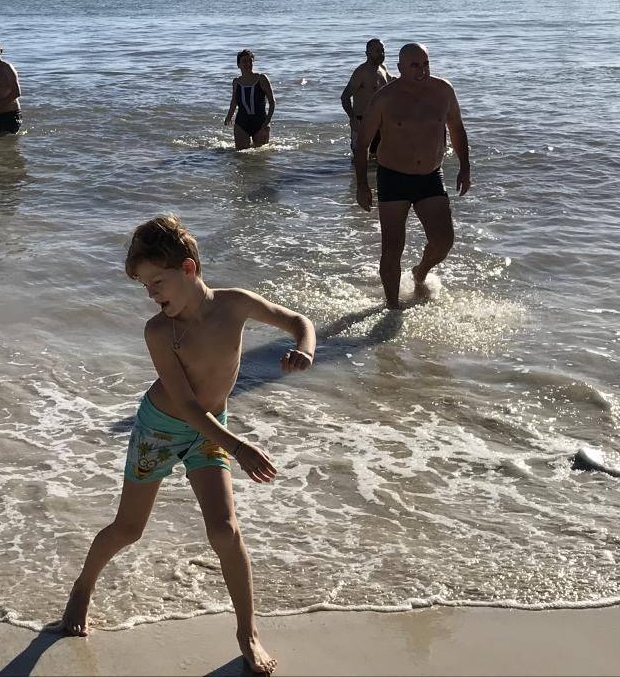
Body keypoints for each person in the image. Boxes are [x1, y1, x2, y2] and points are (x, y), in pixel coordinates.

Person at [60, 215, 316, 674]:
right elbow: (185, 403)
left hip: (211, 430)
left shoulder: (234, 305)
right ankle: (83, 586)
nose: (153, 295)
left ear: (189, 269)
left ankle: (248, 633)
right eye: (145, 287)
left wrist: (306, 347)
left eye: (158, 282)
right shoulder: (159, 331)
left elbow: (298, 320)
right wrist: (238, 447)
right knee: (128, 530)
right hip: (161, 428)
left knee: (224, 530)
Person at [355, 42, 471, 310]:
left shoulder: (443, 90)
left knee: (443, 241)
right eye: (414, 65)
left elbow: (456, 128)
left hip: (430, 176)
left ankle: (420, 272)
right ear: (400, 68)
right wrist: (362, 185)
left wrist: (465, 167)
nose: (421, 70)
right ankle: (392, 308)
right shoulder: (385, 98)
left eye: (426, 64)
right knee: (392, 248)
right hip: (393, 177)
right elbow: (362, 143)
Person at [340, 38, 391, 158]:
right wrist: (353, 118)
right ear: (367, 53)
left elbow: (392, 81)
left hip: (380, 123)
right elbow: (345, 97)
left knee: (381, 159)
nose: (381, 54)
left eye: (383, 51)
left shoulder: (382, 69)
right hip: (362, 122)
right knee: (361, 159)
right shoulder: (361, 72)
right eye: (377, 51)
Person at [224, 49, 276, 151]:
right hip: (242, 122)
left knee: (261, 156)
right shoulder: (236, 82)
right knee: (241, 155)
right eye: (244, 61)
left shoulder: (261, 79)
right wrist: (229, 116)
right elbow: (234, 101)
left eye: (250, 61)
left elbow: (272, 101)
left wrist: (268, 120)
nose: (248, 64)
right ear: (238, 65)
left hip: (261, 122)